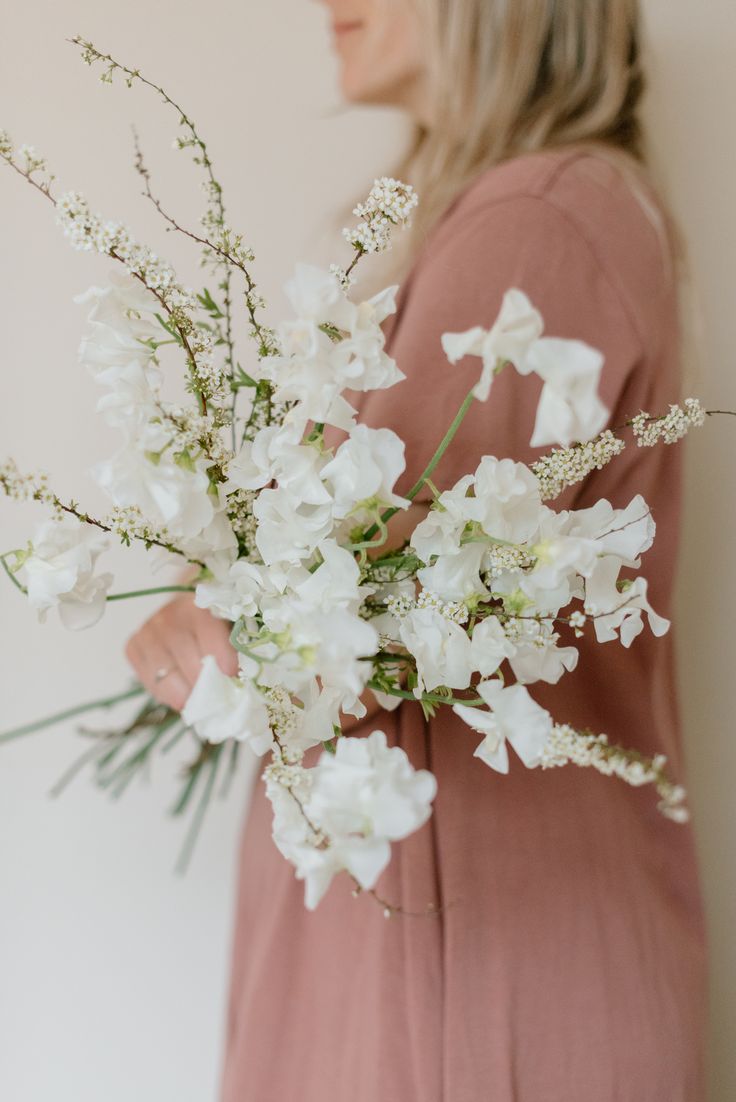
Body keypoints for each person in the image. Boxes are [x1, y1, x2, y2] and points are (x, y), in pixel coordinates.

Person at [124, 2, 707, 1098]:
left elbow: (372, 616)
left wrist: (213, 636)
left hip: (465, 957)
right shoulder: (527, 210)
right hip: (452, 937)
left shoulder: (536, 222)